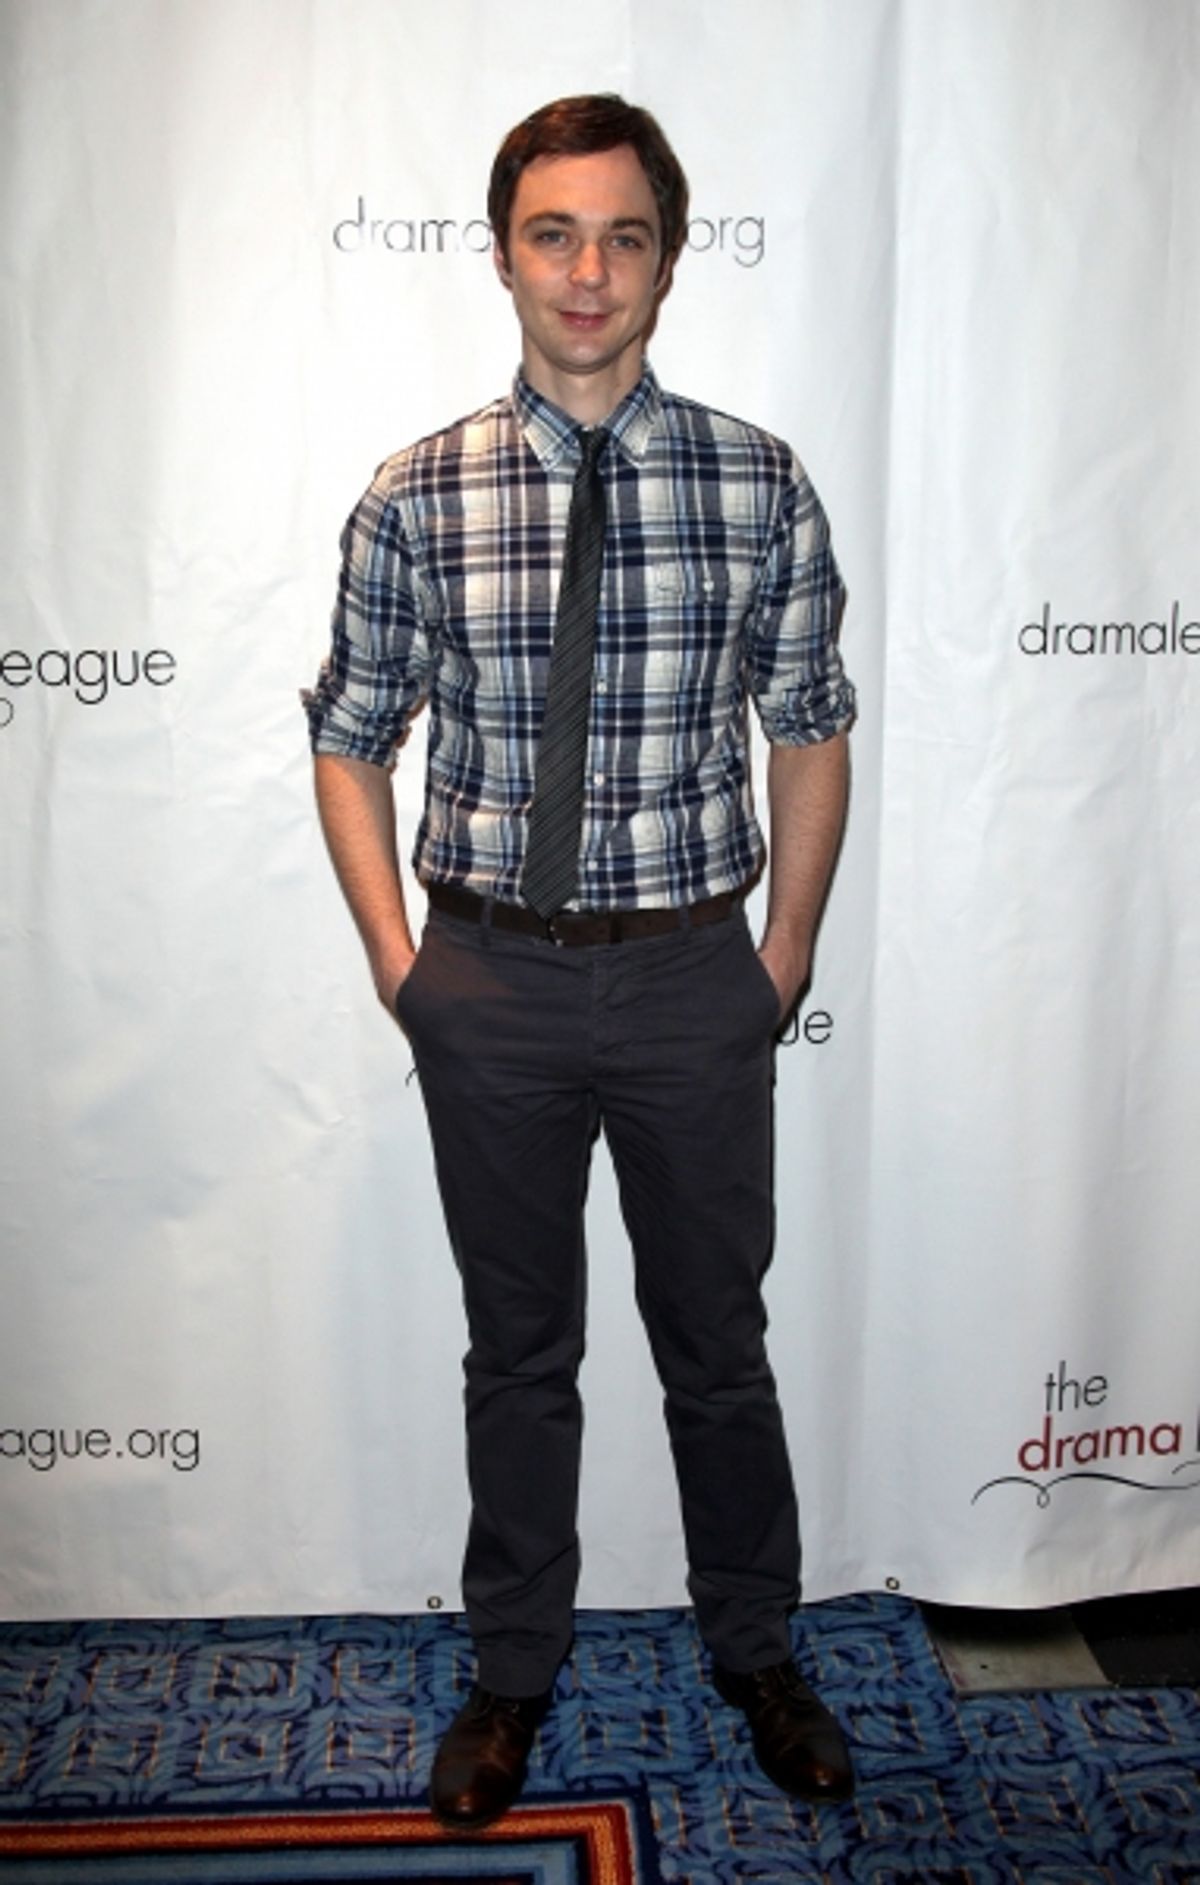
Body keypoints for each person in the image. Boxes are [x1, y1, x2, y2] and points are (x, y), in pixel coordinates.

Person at [306, 93, 856, 1830]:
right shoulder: (418, 492)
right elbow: (348, 736)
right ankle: (513, 1669)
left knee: (720, 1340)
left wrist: (780, 955)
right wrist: (407, 965)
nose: (589, 272)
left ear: (669, 258)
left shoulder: (760, 480)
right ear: (503, 255)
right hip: (493, 982)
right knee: (518, 1352)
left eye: (624, 235)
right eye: (555, 233)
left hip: (699, 976)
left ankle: (757, 1648)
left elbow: (811, 727)